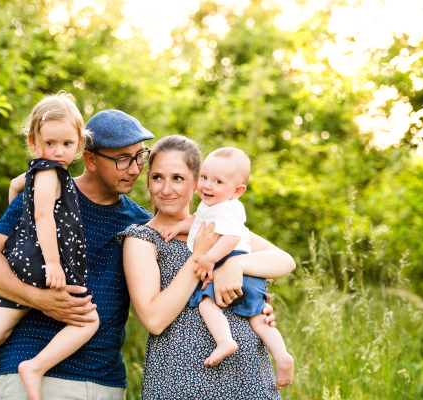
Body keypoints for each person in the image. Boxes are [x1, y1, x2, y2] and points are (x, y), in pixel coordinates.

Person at [0, 110, 276, 399]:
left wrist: (242, 280)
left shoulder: (140, 223)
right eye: (122, 159)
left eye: (139, 157)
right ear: (89, 158)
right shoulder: (49, 195)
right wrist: (41, 299)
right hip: (32, 366)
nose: (135, 168)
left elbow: (247, 249)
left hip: (104, 379)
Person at [0, 92, 99, 400]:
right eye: (50, 144)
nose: (58, 151)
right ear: (34, 141)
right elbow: (42, 215)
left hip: (27, 260)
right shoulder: (50, 172)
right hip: (42, 265)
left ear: (79, 143)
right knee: (88, 320)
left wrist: (23, 232)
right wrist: (51, 262)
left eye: (66, 144)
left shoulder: (38, 172)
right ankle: (33, 367)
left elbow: (15, 186)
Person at [117, 135, 296, 399]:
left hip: (246, 375)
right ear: (148, 181)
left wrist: (236, 264)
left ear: (197, 183)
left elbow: (285, 260)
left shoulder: (222, 226)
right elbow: (154, 320)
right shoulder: (142, 238)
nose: (166, 189)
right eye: (157, 177)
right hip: (180, 376)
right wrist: (198, 256)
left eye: (178, 178)